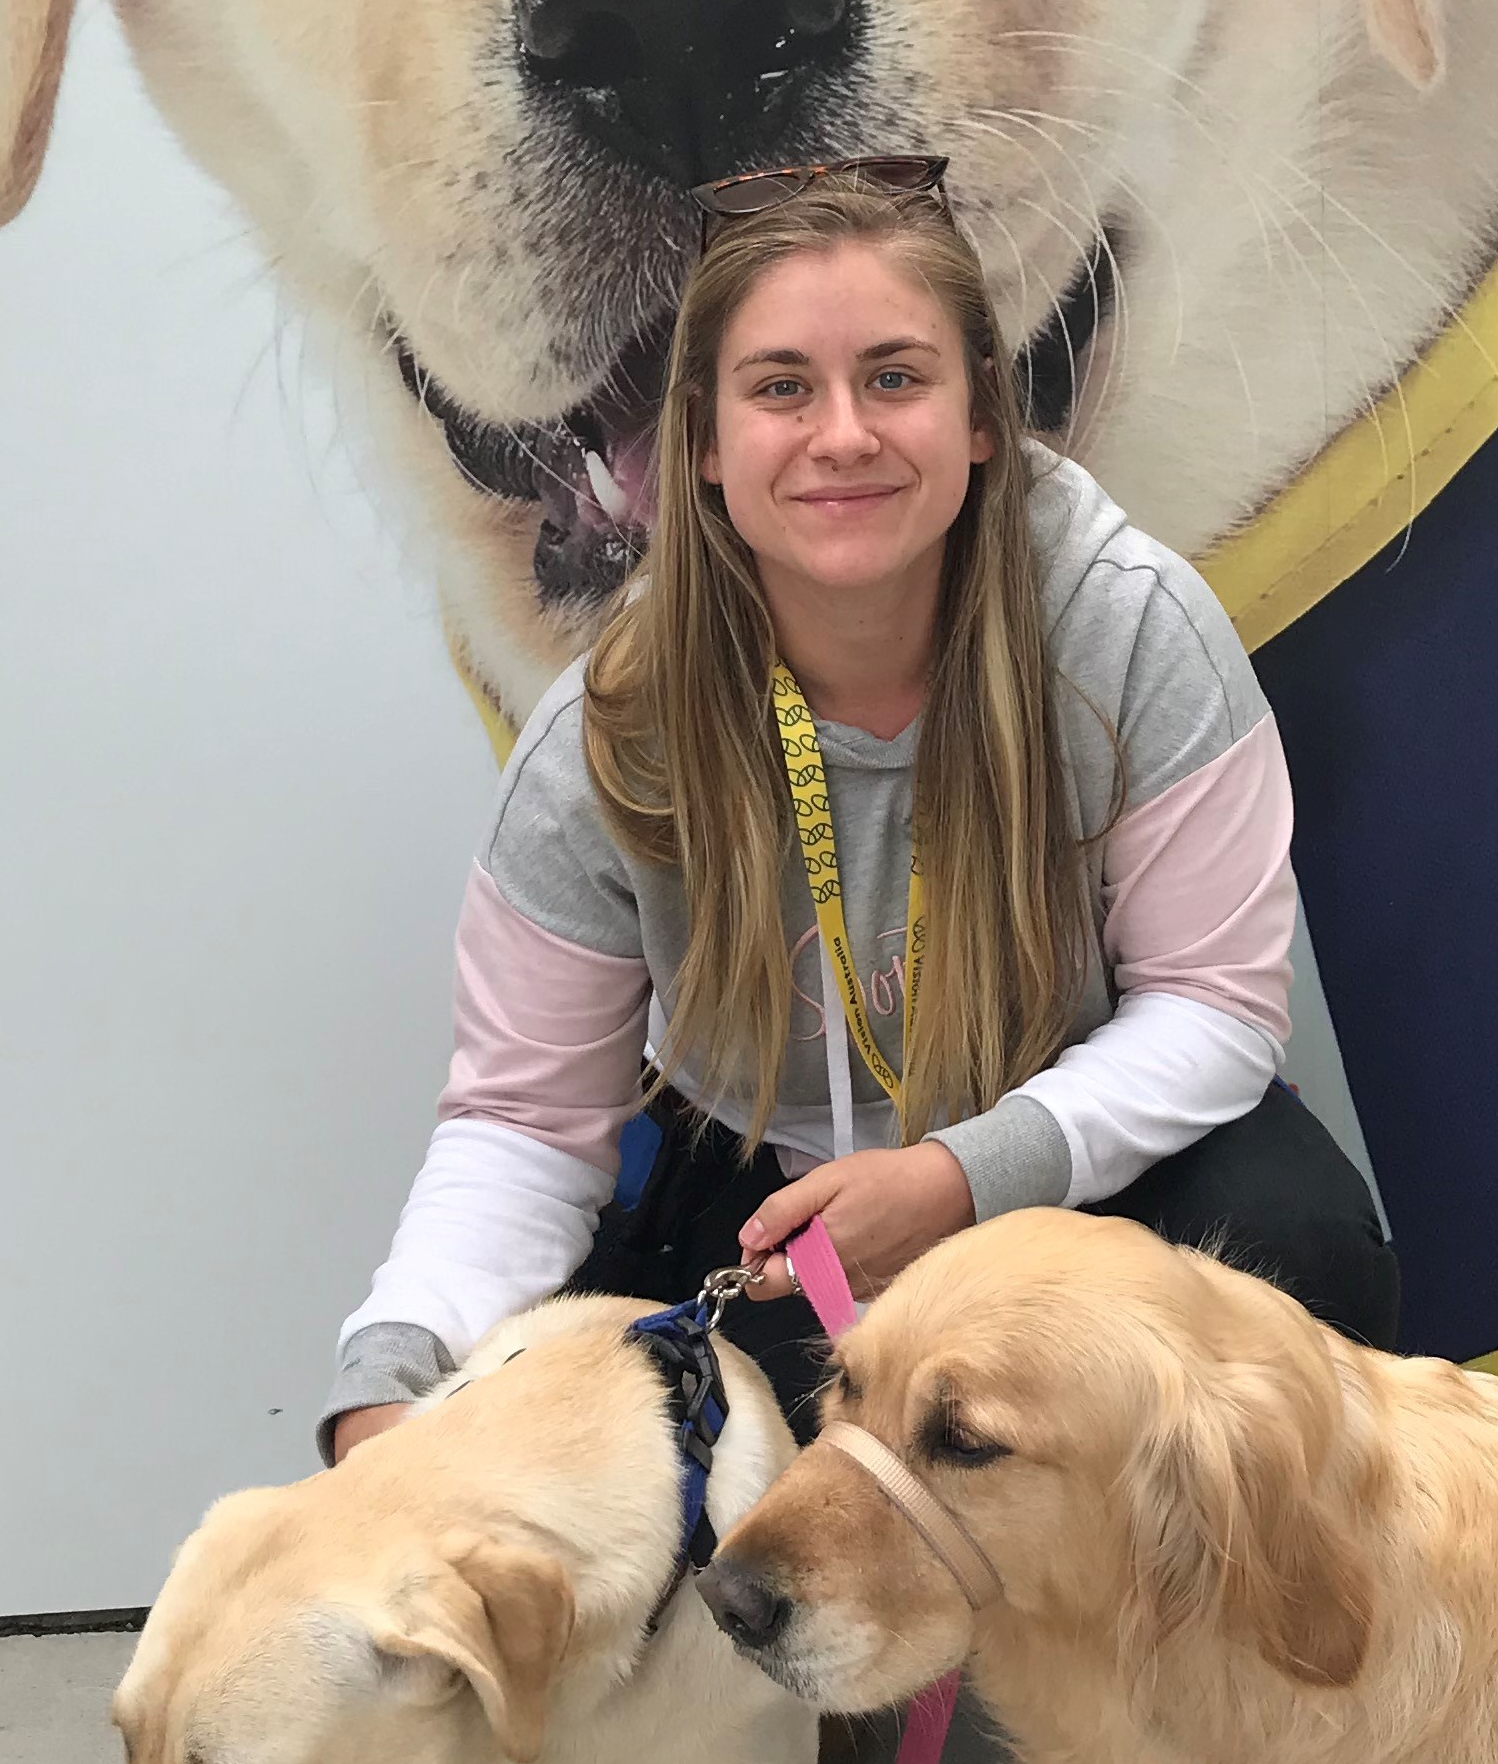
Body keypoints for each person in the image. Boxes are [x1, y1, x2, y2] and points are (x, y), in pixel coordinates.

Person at [320, 161, 1398, 1468]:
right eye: (781, 387)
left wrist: (961, 1176)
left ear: (984, 413)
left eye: (895, 376)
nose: (843, 434)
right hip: (775, 1200)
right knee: (612, 1466)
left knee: (1297, 1245)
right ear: (704, 447)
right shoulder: (608, 735)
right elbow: (525, 1127)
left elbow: (1216, 1007)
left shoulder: (1125, 627)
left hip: (1078, 1149)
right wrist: (392, 1371)